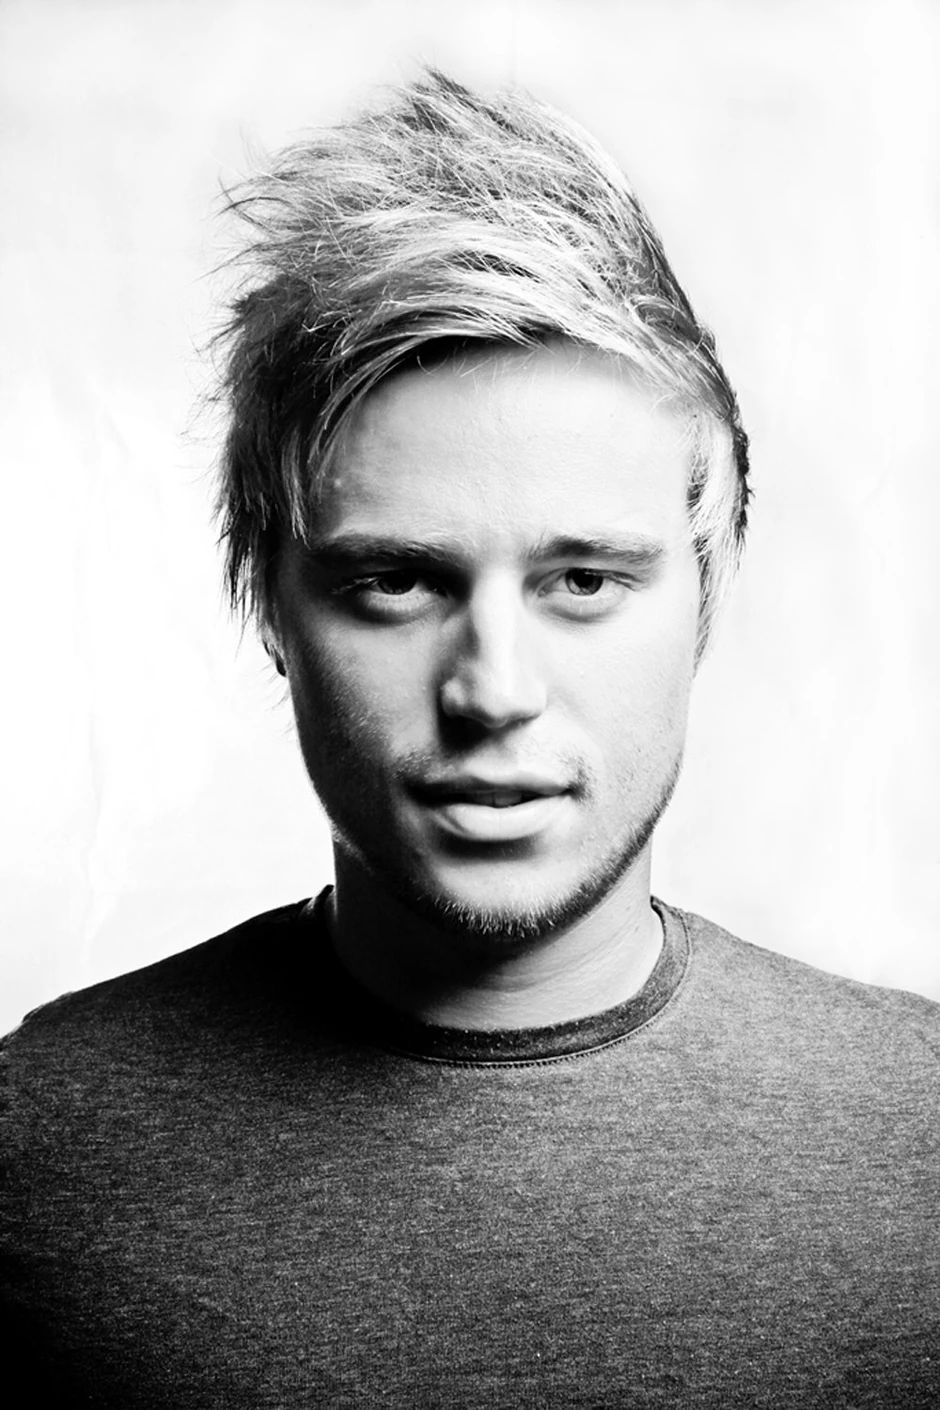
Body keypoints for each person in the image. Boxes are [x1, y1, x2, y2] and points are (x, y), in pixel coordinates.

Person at [1, 68, 937, 1408]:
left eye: (583, 580)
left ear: (709, 590)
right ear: (268, 601)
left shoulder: (920, 1132)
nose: (493, 690)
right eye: (397, 581)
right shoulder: (38, 1148)